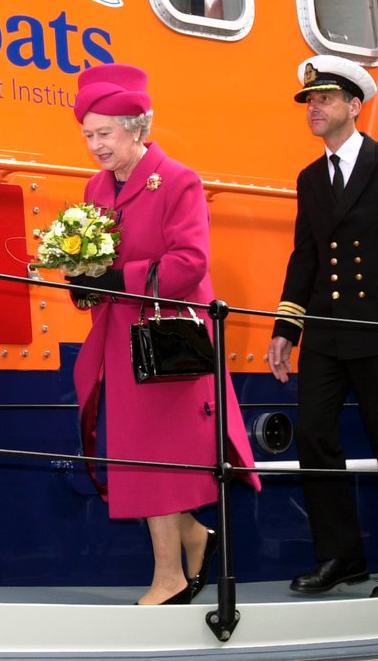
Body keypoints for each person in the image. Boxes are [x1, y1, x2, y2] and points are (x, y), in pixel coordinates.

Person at [65, 63, 260, 605]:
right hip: (122, 337)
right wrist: (83, 284)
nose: (95, 145)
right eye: (88, 135)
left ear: (137, 127)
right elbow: (92, 254)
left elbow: (189, 264)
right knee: (137, 453)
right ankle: (194, 538)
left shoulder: (178, 180)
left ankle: (170, 576)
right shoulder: (95, 187)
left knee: (158, 457)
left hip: (171, 340)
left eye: (104, 134)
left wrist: (115, 279)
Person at [266, 54, 378, 598]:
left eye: (324, 99)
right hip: (329, 334)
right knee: (314, 434)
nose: (313, 108)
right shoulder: (311, 177)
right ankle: (341, 555)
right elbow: (306, 256)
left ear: (353, 106)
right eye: (309, 101)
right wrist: (286, 328)